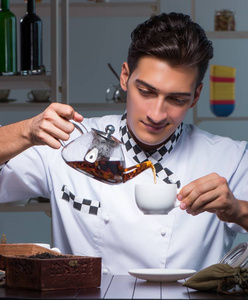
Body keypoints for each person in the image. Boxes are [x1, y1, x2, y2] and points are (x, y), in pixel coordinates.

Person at [0, 12, 248, 275]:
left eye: (176, 99)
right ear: (125, 77)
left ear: (196, 96)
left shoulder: (229, 157)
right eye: (146, 92)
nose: (156, 113)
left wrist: (236, 209)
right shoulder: (69, 142)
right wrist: (26, 132)